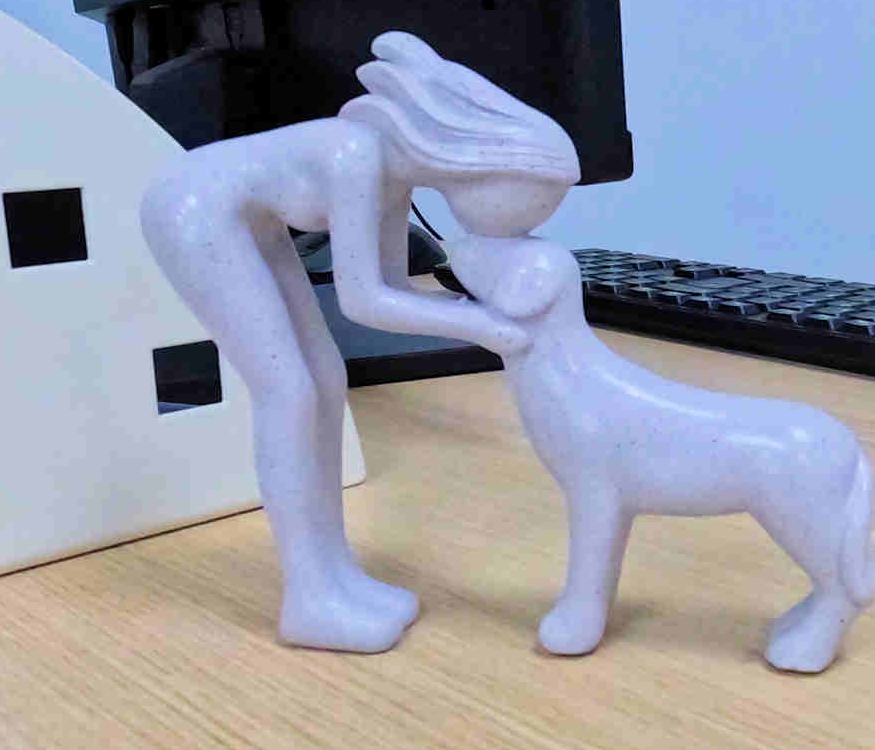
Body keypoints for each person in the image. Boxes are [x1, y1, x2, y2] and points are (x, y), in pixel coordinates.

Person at [140, 32, 579, 652]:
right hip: (192, 208)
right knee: (288, 391)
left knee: (326, 378)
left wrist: (476, 313)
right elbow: (363, 302)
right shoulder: (356, 156)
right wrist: (481, 325)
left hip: (244, 215)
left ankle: (334, 575)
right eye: (523, 210)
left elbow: (394, 290)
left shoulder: (394, 176)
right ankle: (308, 598)